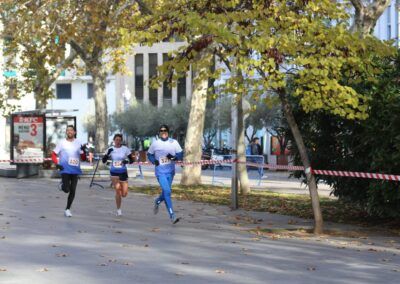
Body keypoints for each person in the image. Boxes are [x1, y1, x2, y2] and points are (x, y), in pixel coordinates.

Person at [147, 125, 183, 224]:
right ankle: (172, 216)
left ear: (168, 132)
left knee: (166, 192)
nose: (163, 132)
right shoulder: (155, 143)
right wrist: (154, 161)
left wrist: (175, 158)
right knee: (167, 192)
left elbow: (180, 154)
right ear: (159, 132)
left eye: (165, 130)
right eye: (161, 130)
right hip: (160, 172)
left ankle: (158, 201)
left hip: (170, 172)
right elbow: (149, 154)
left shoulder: (173, 142)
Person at [52, 125, 86, 217]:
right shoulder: (62, 143)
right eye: (68, 130)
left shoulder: (78, 143)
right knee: (66, 189)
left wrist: (84, 151)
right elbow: (54, 154)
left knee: (73, 190)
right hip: (65, 169)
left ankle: (67, 209)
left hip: (75, 170)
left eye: (71, 130)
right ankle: (63, 185)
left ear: (74, 132)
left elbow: (83, 158)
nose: (69, 132)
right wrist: (57, 164)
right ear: (66, 132)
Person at [102, 134, 134, 216]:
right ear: (114, 140)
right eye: (116, 140)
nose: (118, 141)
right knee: (117, 190)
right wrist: (107, 154)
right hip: (114, 172)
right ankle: (119, 210)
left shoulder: (125, 149)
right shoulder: (110, 149)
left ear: (121, 141)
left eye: (119, 140)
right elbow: (103, 161)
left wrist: (126, 161)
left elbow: (132, 159)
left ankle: (122, 196)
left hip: (123, 171)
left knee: (124, 193)